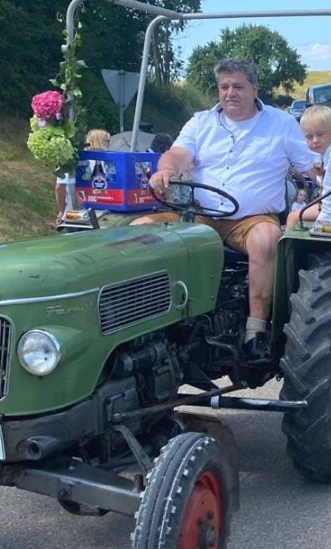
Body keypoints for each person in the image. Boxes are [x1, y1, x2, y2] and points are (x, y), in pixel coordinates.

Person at [134, 58, 317, 361]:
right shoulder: (200, 122)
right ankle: (147, 326)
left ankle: (255, 332)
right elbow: (177, 154)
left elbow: (310, 167)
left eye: (238, 86)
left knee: (266, 239)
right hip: (199, 217)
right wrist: (165, 170)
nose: (230, 92)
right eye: (224, 87)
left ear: (254, 89)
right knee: (140, 230)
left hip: (251, 220)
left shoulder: (281, 124)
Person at [285, 105, 331, 233]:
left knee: (293, 217)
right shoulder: (327, 152)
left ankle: (289, 251)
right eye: (309, 137)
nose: (315, 140)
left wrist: (325, 218)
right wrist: (320, 174)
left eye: (320, 134)